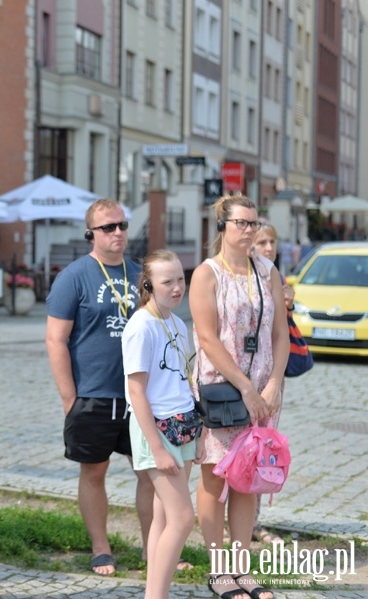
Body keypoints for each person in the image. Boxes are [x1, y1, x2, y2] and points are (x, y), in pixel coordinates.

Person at [45, 198, 154, 576]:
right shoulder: (75, 276)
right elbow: (56, 340)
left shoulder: (141, 274)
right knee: (94, 472)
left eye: (123, 225)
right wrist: (69, 398)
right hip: (93, 394)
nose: (119, 232)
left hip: (139, 394)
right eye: (109, 227)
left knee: (148, 471)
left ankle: (151, 548)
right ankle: (100, 547)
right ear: (91, 233)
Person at [190, 196, 288, 599]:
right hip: (223, 392)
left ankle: (243, 568)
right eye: (241, 223)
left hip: (262, 394)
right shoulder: (206, 274)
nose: (248, 230)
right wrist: (245, 388)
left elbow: (281, 334)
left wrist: (274, 382)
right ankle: (218, 572)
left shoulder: (267, 271)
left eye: (253, 223)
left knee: (249, 480)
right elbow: (208, 340)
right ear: (222, 226)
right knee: (215, 479)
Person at [122, 250, 204, 599]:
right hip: (156, 430)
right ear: (148, 284)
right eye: (167, 281)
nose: (176, 288)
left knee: (163, 515)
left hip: (183, 424)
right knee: (183, 518)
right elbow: (136, 391)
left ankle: (154, 592)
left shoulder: (174, 321)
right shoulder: (140, 327)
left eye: (180, 279)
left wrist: (198, 433)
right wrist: (156, 447)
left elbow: (185, 380)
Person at [249, 223, 291, 547]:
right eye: (261, 241)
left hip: (271, 378)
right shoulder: (240, 276)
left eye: (272, 241)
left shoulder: (276, 277)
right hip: (243, 379)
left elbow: (282, 334)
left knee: (265, 452)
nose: (268, 247)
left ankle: (253, 520)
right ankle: (230, 521)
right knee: (235, 454)